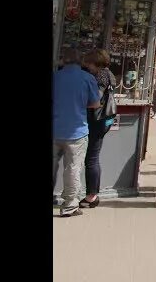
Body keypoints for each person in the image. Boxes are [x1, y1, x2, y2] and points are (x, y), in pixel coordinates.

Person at [53, 47, 101, 218]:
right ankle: (69, 207)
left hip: (55, 129)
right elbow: (95, 104)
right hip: (77, 132)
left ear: (63, 60)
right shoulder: (87, 78)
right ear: (80, 61)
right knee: (73, 169)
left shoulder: (55, 76)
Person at [79, 49, 116, 209]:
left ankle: (91, 196)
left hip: (97, 120)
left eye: (88, 62)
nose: (86, 66)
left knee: (91, 159)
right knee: (93, 157)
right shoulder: (109, 73)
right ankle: (93, 194)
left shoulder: (101, 75)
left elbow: (96, 97)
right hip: (104, 119)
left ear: (96, 62)